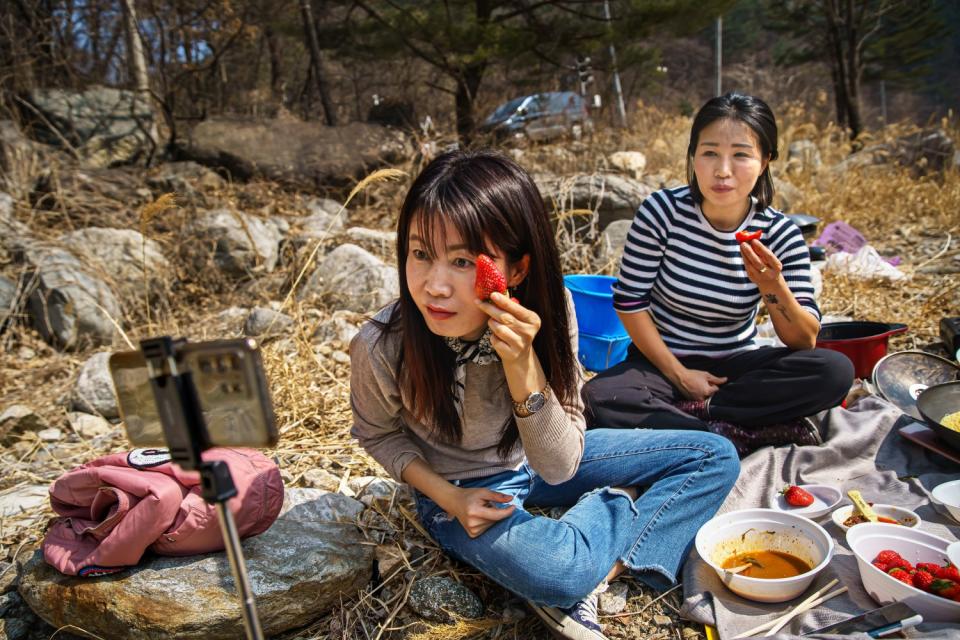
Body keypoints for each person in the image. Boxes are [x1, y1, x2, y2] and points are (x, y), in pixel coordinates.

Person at [350, 149, 740, 640]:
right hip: (466, 490)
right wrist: (449, 497)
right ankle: (618, 511)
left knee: (716, 456)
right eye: (420, 253)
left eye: (463, 260)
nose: (434, 285)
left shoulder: (555, 314)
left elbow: (559, 465)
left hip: (544, 457)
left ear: (515, 270)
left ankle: (609, 556)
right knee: (559, 571)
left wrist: (521, 364)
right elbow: (378, 434)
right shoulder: (382, 346)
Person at [582, 93, 854, 456]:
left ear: (765, 160)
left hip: (737, 367)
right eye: (709, 152)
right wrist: (680, 374)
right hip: (661, 363)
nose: (723, 170)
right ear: (693, 156)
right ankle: (735, 431)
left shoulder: (780, 233)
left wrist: (772, 286)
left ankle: (699, 424)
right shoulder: (662, 213)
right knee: (600, 397)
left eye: (741, 155)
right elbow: (630, 302)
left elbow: (803, 340)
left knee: (833, 371)